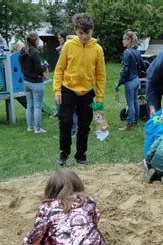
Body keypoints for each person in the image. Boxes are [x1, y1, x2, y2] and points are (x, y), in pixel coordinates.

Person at [53, 13, 106, 166]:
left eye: (87, 33)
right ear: (75, 30)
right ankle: (64, 152)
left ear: (92, 30)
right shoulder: (68, 46)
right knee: (65, 121)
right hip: (68, 89)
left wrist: (100, 98)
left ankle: (81, 155)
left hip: (87, 92)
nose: (84, 36)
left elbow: (101, 75)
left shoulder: (97, 49)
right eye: (80, 33)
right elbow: (59, 69)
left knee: (84, 124)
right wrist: (57, 90)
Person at [116, 31, 146, 131]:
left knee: (130, 104)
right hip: (137, 80)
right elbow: (143, 66)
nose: (122, 41)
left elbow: (125, 70)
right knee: (135, 102)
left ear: (129, 40)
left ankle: (129, 124)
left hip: (129, 82)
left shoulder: (127, 52)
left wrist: (119, 82)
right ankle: (135, 121)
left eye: (124, 39)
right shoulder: (137, 52)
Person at [19, 31, 47, 134]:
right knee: (37, 106)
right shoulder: (34, 52)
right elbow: (39, 69)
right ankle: (37, 129)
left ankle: (30, 127)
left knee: (29, 106)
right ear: (35, 39)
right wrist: (45, 66)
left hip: (26, 81)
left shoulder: (22, 51)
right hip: (36, 83)